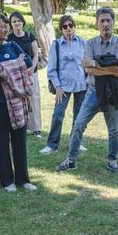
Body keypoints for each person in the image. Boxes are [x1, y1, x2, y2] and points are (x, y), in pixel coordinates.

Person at [56, 7, 118, 174]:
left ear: (114, 23)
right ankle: (71, 159)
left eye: (108, 20)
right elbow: (88, 70)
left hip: (113, 91)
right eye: (102, 21)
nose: (105, 24)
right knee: (79, 124)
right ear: (97, 24)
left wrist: (97, 64)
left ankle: (112, 159)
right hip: (94, 90)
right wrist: (104, 66)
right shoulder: (90, 44)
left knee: (114, 129)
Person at [0, 12, 36, 192]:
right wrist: (13, 65)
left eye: (6, 26)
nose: (6, 29)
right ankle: (7, 181)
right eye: (3, 26)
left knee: (20, 141)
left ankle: (23, 180)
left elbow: (27, 62)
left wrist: (5, 68)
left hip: (18, 102)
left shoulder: (13, 45)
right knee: (2, 143)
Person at [40, 15, 87, 156]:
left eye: (70, 25)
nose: (68, 29)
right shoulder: (56, 45)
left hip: (81, 85)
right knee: (58, 115)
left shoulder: (82, 42)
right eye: (65, 26)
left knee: (79, 116)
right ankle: (51, 144)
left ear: (74, 26)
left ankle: (77, 143)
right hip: (63, 87)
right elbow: (52, 69)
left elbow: (87, 63)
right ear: (61, 29)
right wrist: (58, 87)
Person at [7, 11, 42, 138]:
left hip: (31, 72)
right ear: (11, 24)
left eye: (18, 21)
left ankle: (36, 128)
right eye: (14, 21)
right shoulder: (9, 39)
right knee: (19, 100)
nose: (17, 23)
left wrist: (32, 68)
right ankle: (23, 127)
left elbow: (36, 55)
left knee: (34, 99)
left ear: (23, 22)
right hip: (17, 74)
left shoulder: (30, 36)